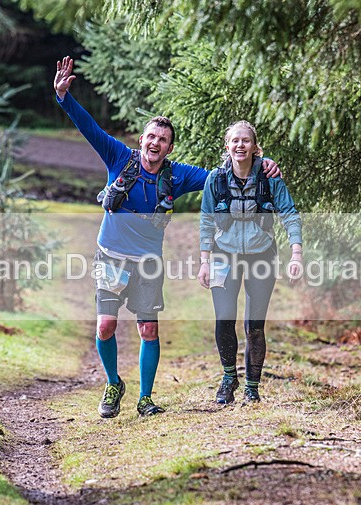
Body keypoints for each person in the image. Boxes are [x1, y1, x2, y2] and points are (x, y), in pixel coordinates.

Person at [53, 57, 282, 418]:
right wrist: (65, 97)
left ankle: (145, 398)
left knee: (147, 330)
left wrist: (261, 162)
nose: (155, 143)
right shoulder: (118, 157)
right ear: (141, 140)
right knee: (105, 325)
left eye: (163, 139)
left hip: (147, 263)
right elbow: (89, 128)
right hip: (111, 255)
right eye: (151, 137)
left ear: (170, 148)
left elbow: (224, 175)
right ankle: (114, 383)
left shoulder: (177, 176)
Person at [198, 120, 302, 404]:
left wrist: (296, 254)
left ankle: (252, 388)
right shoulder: (215, 180)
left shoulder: (270, 178)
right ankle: (229, 378)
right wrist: (204, 261)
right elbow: (206, 221)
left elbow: (289, 214)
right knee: (224, 319)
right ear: (227, 145)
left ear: (255, 147)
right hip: (223, 255)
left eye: (246, 141)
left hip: (261, 254)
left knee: (255, 325)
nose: (240, 145)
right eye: (235, 141)